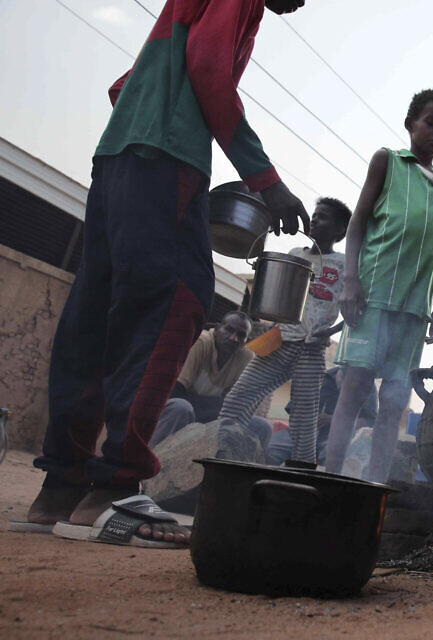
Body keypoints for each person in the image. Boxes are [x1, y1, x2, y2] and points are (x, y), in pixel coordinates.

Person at [19, 0, 309, 549]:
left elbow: (127, 84)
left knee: (96, 315)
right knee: (175, 301)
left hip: (118, 158)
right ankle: (114, 491)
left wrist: (154, 119)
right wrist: (264, 179)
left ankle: (61, 487)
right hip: (166, 160)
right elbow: (206, 70)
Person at [324, 89, 433, 484]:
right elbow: (358, 223)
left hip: (415, 310)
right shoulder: (388, 162)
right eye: (430, 123)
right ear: (410, 123)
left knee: (396, 399)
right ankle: (331, 479)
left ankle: (374, 487)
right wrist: (350, 283)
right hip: (373, 297)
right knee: (355, 389)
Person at [219, 197, 350, 467]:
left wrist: (330, 332)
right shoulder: (295, 254)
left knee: (304, 421)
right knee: (237, 399)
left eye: (323, 217)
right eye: (314, 215)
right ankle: (222, 453)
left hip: (311, 349)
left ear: (339, 231)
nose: (314, 220)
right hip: (278, 341)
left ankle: (300, 472)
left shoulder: (344, 265)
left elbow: (356, 309)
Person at [149, 311, 271, 449]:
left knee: (261, 426)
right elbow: (176, 392)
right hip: (178, 412)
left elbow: (237, 406)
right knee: (181, 407)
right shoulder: (201, 342)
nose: (233, 338)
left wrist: (218, 406)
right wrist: (218, 405)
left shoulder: (246, 356)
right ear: (218, 329)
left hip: (213, 419)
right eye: (229, 330)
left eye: (241, 335)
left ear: (246, 341)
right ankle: (150, 460)